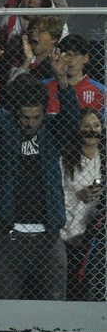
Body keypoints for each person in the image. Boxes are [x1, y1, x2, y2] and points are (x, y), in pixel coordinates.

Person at [0, 43, 78, 301]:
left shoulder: (52, 130)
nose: (30, 123)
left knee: (53, 306)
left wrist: (62, 79)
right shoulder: (3, 126)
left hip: (48, 237)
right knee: (7, 307)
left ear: (43, 113)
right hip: (9, 236)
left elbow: (72, 117)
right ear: (16, 112)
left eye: (36, 117)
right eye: (25, 117)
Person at [61, 110, 104, 301]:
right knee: (69, 285)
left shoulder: (104, 159)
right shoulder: (65, 159)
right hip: (68, 231)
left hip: (96, 236)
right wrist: (78, 195)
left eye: (96, 126)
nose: (92, 130)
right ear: (77, 129)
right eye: (86, 126)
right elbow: (58, 192)